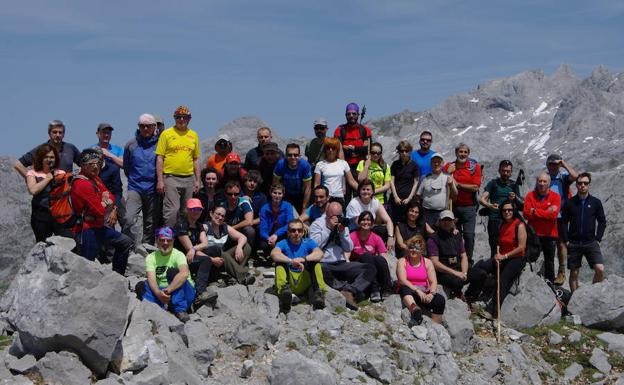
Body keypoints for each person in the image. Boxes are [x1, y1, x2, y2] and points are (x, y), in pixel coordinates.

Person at [71, 149, 133, 275]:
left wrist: (106, 202)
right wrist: (106, 202)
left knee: (125, 242)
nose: (96, 166)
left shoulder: (95, 179)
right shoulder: (81, 184)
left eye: (98, 163)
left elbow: (110, 196)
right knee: (88, 265)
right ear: (83, 165)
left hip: (98, 227)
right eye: (91, 164)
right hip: (86, 230)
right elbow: (99, 210)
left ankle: (117, 276)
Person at [309, 201, 377, 311]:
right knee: (318, 269)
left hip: (341, 263)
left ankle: (349, 291)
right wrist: (329, 229)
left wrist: (342, 233)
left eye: (340, 215)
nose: (337, 218)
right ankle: (344, 288)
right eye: (334, 216)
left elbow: (348, 248)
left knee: (370, 269)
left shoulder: (342, 225)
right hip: (324, 263)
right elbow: (313, 246)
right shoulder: (317, 225)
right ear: (327, 214)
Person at [475, 201, 526, 320]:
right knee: (482, 266)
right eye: (504, 210)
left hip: (516, 258)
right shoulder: (502, 225)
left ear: (514, 211)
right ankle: (472, 294)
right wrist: (498, 255)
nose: (507, 212)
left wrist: (505, 256)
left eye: (509, 210)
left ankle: (493, 311)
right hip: (503, 256)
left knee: (503, 281)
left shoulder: (520, 225)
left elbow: (521, 247)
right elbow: (500, 244)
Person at [155, 106, 201, 227]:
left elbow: (195, 159)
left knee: (187, 211)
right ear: (174, 119)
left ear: (189, 119)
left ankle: (183, 240)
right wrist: (160, 180)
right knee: (172, 210)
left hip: (189, 178)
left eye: (184, 117)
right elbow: (160, 157)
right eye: (178, 117)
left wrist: (197, 180)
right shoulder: (166, 134)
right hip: (171, 177)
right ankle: (167, 238)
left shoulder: (194, 135)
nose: (181, 119)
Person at [139, 227, 195, 323]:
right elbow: (151, 279)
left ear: (173, 240)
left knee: (173, 272)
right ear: (156, 240)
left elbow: (184, 273)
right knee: (141, 285)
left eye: (168, 240)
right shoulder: (151, 257)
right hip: (163, 293)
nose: (165, 243)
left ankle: (180, 309)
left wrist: (167, 291)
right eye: (162, 240)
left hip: (183, 292)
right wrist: (158, 293)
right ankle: (161, 307)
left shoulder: (179, 255)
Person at [562, 172, 606, 292]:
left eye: (585, 183)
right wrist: (566, 240)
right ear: (576, 185)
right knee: (574, 274)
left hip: (591, 242)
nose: (582, 185)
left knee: (600, 269)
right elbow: (563, 223)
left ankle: (591, 294)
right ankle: (575, 300)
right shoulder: (569, 203)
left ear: (589, 185)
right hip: (574, 243)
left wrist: (598, 238)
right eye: (580, 183)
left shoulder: (596, 202)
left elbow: (602, 221)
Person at [427, 210, 486, 301]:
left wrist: (464, 272)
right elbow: (434, 263)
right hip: (443, 272)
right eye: (444, 220)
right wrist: (456, 273)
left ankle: (470, 297)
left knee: (481, 274)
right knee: (457, 282)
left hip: (457, 268)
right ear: (439, 221)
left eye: (449, 220)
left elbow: (464, 256)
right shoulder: (433, 239)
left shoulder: (457, 235)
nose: (446, 222)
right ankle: (458, 294)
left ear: (453, 222)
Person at [271, 219, 327, 313]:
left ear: (303, 231)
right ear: (288, 232)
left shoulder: (308, 242)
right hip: (289, 281)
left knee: (316, 263)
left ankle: (319, 293)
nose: (297, 233)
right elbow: (274, 254)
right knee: (279, 263)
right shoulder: (283, 243)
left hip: (303, 278)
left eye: (299, 230)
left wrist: (303, 259)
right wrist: (291, 261)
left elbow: (320, 254)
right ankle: (284, 292)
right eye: (293, 230)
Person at [172, 199, 219, 308]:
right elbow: (187, 248)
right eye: (193, 209)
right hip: (182, 258)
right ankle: (200, 292)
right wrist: (212, 259)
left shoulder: (199, 225)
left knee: (215, 249)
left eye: (198, 209)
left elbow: (205, 243)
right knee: (207, 259)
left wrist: (193, 249)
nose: (196, 211)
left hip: (192, 253)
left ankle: (210, 280)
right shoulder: (181, 225)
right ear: (188, 210)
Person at [123, 114, 160, 248]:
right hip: (135, 188)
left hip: (153, 189)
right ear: (138, 127)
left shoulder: (160, 144)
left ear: (154, 127)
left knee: (150, 222)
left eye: (148, 126)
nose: (145, 129)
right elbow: (127, 167)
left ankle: (146, 250)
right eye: (142, 126)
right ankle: (126, 247)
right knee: (128, 218)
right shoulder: (131, 145)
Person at [25, 144, 73, 241]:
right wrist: (48, 178)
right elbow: (33, 190)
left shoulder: (61, 173)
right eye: (45, 157)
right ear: (40, 158)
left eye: (51, 157)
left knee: (67, 242)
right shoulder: (32, 173)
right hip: (40, 216)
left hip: (59, 215)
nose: (49, 160)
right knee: (43, 243)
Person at [443, 143, 482, 264]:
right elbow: (442, 180)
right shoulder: (449, 166)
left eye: (465, 152)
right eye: (460, 152)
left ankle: (468, 260)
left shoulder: (474, 167)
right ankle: (457, 260)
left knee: (469, 236)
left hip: (469, 207)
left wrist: (458, 185)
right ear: (456, 153)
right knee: (454, 236)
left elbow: (476, 187)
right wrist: (448, 174)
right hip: (453, 207)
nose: (463, 154)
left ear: (468, 154)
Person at [480, 160, 524, 258]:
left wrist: (514, 198)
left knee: (508, 245)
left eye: (508, 171)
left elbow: (520, 203)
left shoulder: (514, 185)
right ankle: (494, 269)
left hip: (509, 221)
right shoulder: (493, 183)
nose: (505, 173)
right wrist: (490, 206)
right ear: (499, 171)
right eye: (503, 171)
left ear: (511, 172)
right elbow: (482, 199)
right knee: (494, 246)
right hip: (494, 219)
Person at [397, 236, 445, 326]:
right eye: (411, 247)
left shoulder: (427, 262)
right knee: (404, 288)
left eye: (417, 248)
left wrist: (432, 293)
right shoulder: (402, 261)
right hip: (410, 291)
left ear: (422, 251)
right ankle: (414, 310)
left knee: (440, 300)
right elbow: (402, 280)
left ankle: (435, 326)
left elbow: (433, 281)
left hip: (424, 292)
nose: (413, 250)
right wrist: (417, 290)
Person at [546, 154, 578, 286]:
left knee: (561, 244)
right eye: (551, 164)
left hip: (561, 216)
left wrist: (563, 163)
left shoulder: (563, 177)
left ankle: (562, 271)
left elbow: (575, 176)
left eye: (555, 164)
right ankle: (549, 272)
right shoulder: (545, 178)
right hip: (547, 216)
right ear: (547, 165)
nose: (553, 166)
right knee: (548, 245)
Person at [523, 172, 561, 284]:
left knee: (549, 262)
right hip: (534, 234)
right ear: (537, 182)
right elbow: (526, 214)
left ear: (549, 183)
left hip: (550, 235)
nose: (542, 183)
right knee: (529, 258)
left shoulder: (556, 196)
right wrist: (546, 212)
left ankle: (550, 284)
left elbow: (553, 215)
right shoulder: (530, 195)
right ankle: (526, 281)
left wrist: (535, 212)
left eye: (544, 181)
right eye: (540, 181)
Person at [349, 211, 393, 302]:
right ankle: (374, 289)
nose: (366, 222)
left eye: (368, 220)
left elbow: (384, 256)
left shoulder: (376, 238)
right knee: (367, 256)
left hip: (371, 267)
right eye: (363, 220)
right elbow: (347, 254)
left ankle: (386, 289)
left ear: (372, 223)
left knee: (379, 259)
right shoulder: (352, 236)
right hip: (357, 267)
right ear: (359, 222)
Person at [15, 120, 81, 179]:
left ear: (64, 134)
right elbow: (18, 164)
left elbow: (84, 165)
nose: (58, 135)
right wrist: (32, 180)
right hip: (46, 191)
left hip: (67, 191)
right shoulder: (41, 150)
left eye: (60, 132)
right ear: (49, 133)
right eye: (54, 132)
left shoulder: (70, 148)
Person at [345, 179, 395, 249]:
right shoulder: (354, 203)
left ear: (372, 192)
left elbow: (388, 220)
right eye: (363, 189)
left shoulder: (375, 201)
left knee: (384, 230)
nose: (366, 191)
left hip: (368, 229)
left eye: (368, 189)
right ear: (359, 191)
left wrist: (390, 237)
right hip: (355, 231)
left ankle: (379, 250)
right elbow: (361, 225)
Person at [313, 138, 358, 207]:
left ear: (337, 150)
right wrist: (317, 199)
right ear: (325, 150)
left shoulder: (343, 163)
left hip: (339, 198)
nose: (330, 150)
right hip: (325, 199)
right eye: (328, 148)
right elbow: (317, 184)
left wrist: (363, 191)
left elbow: (352, 181)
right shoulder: (320, 164)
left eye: (333, 148)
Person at [416, 154, 457, 226]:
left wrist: (451, 185)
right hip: (426, 212)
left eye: (439, 162)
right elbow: (418, 195)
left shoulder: (448, 177)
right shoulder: (425, 178)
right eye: (434, 162)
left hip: (442, 213)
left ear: (442, 163)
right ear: (430, 164)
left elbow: (454, 195)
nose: (436, 164)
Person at [273, 143, 312, 214]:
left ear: (299, 156)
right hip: (285, 195)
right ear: (285, 156)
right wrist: (276, 203)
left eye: (296, 155)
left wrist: (304, 208)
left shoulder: (305, 165)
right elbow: (275, 185)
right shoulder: (280, 164)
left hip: (300, 195)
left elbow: (308, 188)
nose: (293, 157)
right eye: (289, 155)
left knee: (305, 220)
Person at [334, 103, 371, 174]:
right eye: (349, 114)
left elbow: (367, 150)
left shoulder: (365, 130)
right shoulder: (339, 130)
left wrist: (351, 148)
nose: (351, 116)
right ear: (345, 115)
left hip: (361, 167)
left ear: (358, 115)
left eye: (354, 113)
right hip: (345, 167)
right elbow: (338, 150)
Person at [259, 183, 294, 257]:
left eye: (279, 193)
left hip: (282, 234)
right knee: (263, 245)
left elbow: (289, 224)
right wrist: (269, 239)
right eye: (275, 193)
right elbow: (262, 229)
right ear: (270, 193)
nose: (277, 196)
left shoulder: (288, 206)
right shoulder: (264, 208)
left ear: (283, 195)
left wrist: (276, 234)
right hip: (270, 237)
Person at [390, 140, 419, 224]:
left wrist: (409, 198)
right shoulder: (395, 164)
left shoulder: (414, 165)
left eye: (406, 151)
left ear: (410, 151)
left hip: (408, 199)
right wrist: (395, 197)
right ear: (399, 152)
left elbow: (416, 182)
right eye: (401, 151)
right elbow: (392, 181)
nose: (404, 153)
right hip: (395, 199)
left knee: (407, 222)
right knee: (394, 221)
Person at [221, 181, 256, 248]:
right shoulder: (222, 205)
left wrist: (233, 228)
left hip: (240, 230)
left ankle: (249, 250)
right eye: (230, 194)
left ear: (240, 194)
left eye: (236, 194)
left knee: (250, 230)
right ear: (225, 194)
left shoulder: (244, 202)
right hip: (227, 232)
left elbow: (249, 221)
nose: (233, 196)